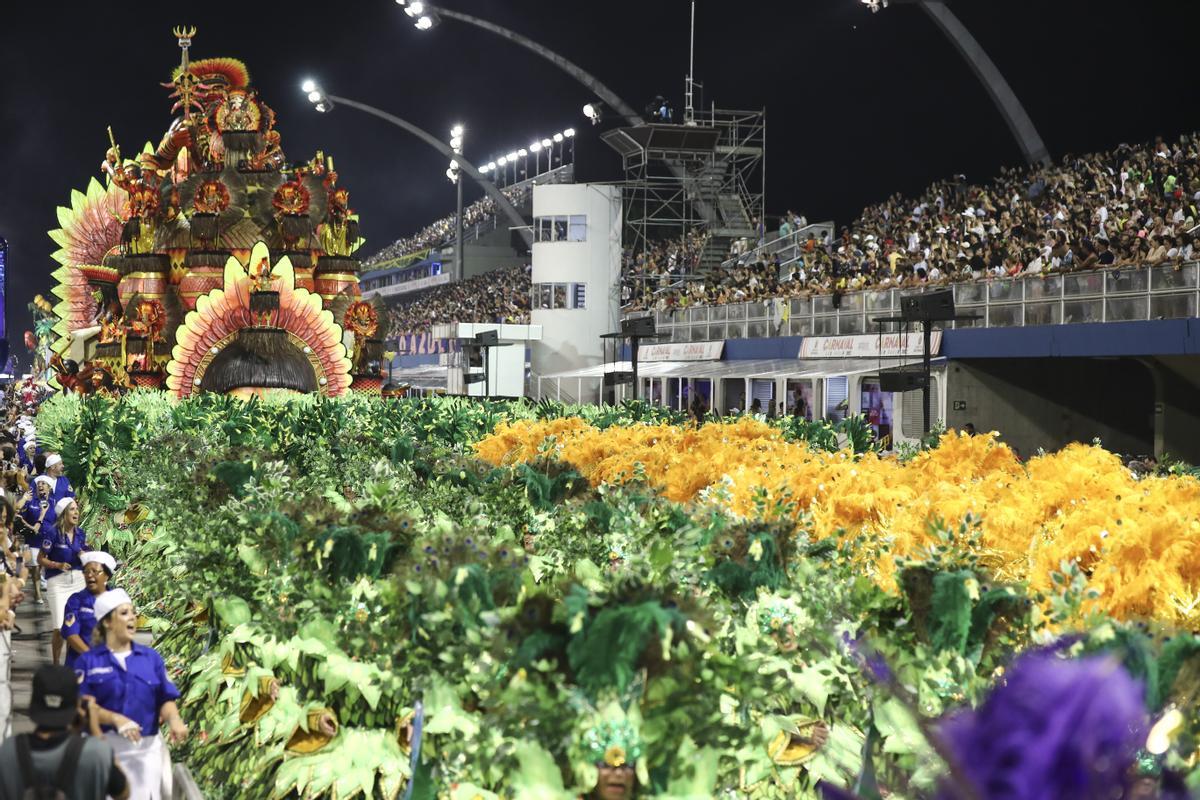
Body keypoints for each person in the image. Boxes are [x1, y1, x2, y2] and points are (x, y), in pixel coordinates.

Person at [78, 589, 187, 800]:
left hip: (146, 751)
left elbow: (165, 697)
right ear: (107, 622)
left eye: (133, 612)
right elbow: (83, 706)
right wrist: (115, 719)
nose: (132, 618)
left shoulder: (151, 658)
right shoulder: (89, 662)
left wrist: (174, 719)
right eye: (124, 613)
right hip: (105, 748)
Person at [0, 664, 129, 799]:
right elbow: (123, 793)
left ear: (34, 703)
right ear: (77, 706)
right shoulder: (96, 753)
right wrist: (95, 729)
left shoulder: (8, 750)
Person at [39, 497, 87, 666]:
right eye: (72, 509)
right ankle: (56, 665)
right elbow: (40, 559)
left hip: (79, 581)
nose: (76, 512)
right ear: (63, 513)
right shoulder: (52, 533)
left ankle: (74, 664)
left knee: (76, 626)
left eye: (77, 509)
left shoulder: (81, 533)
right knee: (59, 627)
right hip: (58, 583)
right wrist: (57, 564)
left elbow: (84, 554)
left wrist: (85, 556)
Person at [62, 551, 117, 669]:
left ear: (107, 575)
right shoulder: (76, 600)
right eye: (86, 571)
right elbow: (70, 634)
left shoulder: (118, 601)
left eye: (95, 571)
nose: (89, 575)